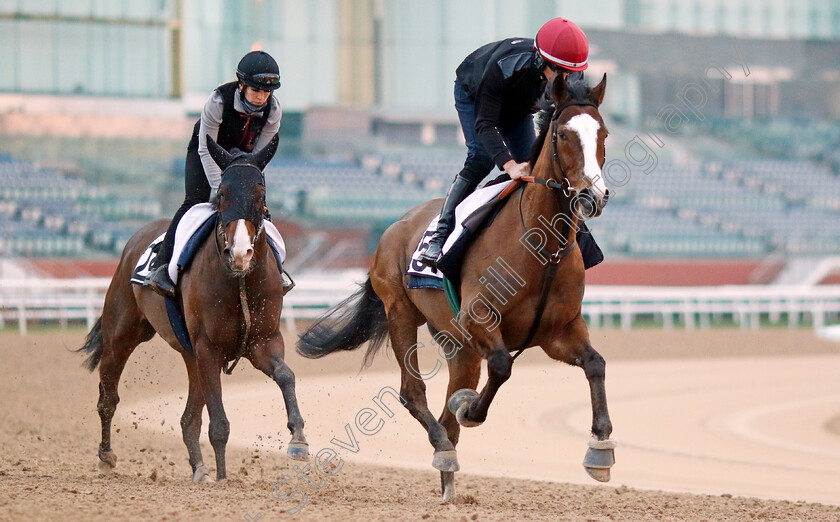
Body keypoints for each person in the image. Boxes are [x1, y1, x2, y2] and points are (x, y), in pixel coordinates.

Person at [418, 17, 596, 269]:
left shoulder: (571, 73)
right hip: (475, 94)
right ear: (540, 60)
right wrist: (509, 164)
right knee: (481, 157)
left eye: (571, 73)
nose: (566, 80)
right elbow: (485, 125)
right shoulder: (503, 67)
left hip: (519, 106)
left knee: (537, 167)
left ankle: (570, 236)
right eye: (559, 71)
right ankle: (439, 236)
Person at [144, 50, 284, 297]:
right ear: (241, 85)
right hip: (207, 152)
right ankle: (161, 266)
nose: (262, 97)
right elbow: (205, 147)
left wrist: (248, 189)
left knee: (258, 208)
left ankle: (277, 272)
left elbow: (261, 157)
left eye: (267, 92)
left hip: (244, 160)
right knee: (194, 203)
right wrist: (223, 191)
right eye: (256, 91)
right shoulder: (218, 101)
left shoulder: (273, 110)